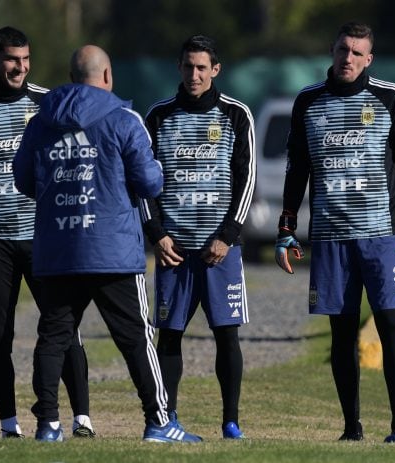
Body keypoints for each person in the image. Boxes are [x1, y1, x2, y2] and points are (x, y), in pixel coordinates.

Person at [13, 44, 201, 443]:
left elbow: (24, 181)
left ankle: (47, 424)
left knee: (53, 338)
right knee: (136, 341)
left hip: (58, 249)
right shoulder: (123, 119)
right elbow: (149, 183)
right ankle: (159, 421)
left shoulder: (40, 121)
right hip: (113, 250)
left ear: (70, 76)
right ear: (108, 76)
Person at [274, 22, 395, 442]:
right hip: (329, 237)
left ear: (369, 59)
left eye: (358, 52)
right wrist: (286, 227)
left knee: (390, 324)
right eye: (343, 49)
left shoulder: (388, 97)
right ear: (333, 50)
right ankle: (351, 428)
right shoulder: (308, 101)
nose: (349, 58)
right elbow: (296, 169)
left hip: (382, 235)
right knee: (341, 333)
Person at [0, 26, 93, 439]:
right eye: (12, 59)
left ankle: (82, 417)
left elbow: (76, 165)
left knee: (64, 327)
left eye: (26, 59)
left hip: (47, 236)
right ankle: (8, 424)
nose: (21, 67)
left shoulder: (50, 103)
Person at [141, 35, 255, 440]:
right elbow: (143, 183)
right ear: (179, 67)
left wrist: (227, 235)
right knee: (169, 335)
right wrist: (157, 234)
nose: (194, 74)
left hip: (220, 251)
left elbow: (246, 180)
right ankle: (165, 418)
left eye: (202, 67)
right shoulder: (158, 116)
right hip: (175, 249)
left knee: (227, 333)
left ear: (215, 70)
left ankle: (231, 421)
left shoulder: (236, 115)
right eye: (188, 66)